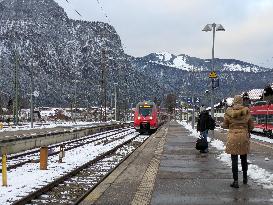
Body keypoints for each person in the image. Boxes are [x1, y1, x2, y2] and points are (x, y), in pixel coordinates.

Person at [222, 95, 254, 188]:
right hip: (244, 137)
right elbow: (251, 126)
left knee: (234, 160)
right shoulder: (246, 111)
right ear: (242, 101)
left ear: (234, 102)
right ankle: (245, 179)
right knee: (244, 159)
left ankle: (235, 181)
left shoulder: (229, 112)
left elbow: (225, 125)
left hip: (233, 137)